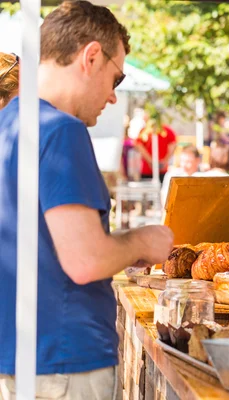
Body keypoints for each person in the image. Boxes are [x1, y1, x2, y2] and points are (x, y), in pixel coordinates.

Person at [0, 2, 174, 397]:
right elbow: (85, 261)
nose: (114, 97)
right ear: (91, 56)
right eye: (116, 79)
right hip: (64, 363)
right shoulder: (61, 130)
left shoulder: (10, 122)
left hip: (22, 356)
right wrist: (142, 242)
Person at [134, 117, 178, 183]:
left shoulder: (146, 131)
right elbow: (138, 145)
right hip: (149, 169)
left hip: (158, 169)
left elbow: (138, 145)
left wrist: (163, 161)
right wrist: (152, 161)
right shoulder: (146, 131)